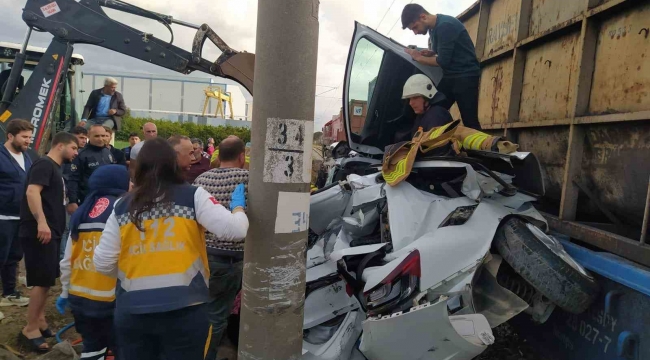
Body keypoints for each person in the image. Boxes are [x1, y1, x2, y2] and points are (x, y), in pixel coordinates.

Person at [93, 138, 249, 360]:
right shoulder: (193, 196)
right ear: (173, 163)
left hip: (133, 312)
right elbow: (236, 230)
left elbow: (103, 263)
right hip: (185, 311)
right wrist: (238, 208)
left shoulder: (122, 206)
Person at [57, 165, 130, 360]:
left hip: (80, 297)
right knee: (122, 349)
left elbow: (67, 260)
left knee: (92, 349)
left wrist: (65, 291)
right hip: (111, 300)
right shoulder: (124, 209)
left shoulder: (82, 212)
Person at [19, 132, 79, 352]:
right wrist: (41, 223)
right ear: (60, 145)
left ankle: (41, 319)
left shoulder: (54, 168)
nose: (76, 152)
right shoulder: (44, 164)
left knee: (47, 279)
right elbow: (32, 191)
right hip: (40, 231)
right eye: (73, 148)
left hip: (51, 231)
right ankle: (30, 327)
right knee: (41, 281)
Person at [193, 136, 249, 360]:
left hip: (204, 256)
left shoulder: (200, 179)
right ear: (242, 156)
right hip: (232, 259)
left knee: (205, 308)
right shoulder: (248, 179)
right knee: (217, 316)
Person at [402, 4, 482, 130]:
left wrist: (418, 57)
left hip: (465, 76)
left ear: (423, 17)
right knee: (432, 108)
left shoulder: (445, 26)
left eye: (415, 27)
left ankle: (488, 147)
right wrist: (431, 53)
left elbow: (443, 61)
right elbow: (448, 51)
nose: (415, 32)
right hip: (451, 77)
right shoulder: (433, 30)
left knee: (470, 121)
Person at [0, 120, 34, 316]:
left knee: (13, 257)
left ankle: (10, 292)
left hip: (20, 216)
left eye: (29, 137)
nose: (28, 141)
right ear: (10, 136)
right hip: (2, 216)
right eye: (24, 137)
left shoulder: (27, 156)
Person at [66, 125, 115, 213]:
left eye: (103, 136)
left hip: (107, 199)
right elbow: (73, 179)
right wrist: (72, 201)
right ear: (89, 136)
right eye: (97, 136)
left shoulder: (107, 152)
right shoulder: (81, 155)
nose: (100, 139)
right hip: (88, 200)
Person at [397, 74, 454, 141]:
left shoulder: (436, 115)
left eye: (415, 97)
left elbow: (433, 147)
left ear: (427, 97)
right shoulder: (422, 115)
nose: (410, 103)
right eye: (409, 99)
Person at [61, 126, 89, 259]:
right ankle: (63, 258)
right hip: (66, 198)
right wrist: (71, 200)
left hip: (79, 198)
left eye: (85, 138)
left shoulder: (82, 154)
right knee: (66, 229)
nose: (83, 141)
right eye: (81, 137)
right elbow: (69, 178)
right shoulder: (67, 157)